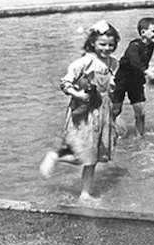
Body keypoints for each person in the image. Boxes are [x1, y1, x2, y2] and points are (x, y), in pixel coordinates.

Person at [40, 20, 121, 199]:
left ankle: (85, 193)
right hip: (85, 112)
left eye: (111, 45)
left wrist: (115, 114)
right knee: (81, 155)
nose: (107, 48)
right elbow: (65, 83)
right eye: (102, 44)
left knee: (93, 157)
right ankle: (56, 155)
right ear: (93, 43)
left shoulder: (114, 64)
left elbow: (112, 89)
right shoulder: (85, 62)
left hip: (103, 112)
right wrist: (77, 94)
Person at [112, 17, 154, 137]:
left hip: (136, 80)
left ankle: (140, 138)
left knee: (140, 111)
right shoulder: (134, 46)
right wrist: (147, 72)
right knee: (116, 110)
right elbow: (134, 62)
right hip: (122, 80)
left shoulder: (151, 44)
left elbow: (145, 61)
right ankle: (108, 132)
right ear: (143, 33)